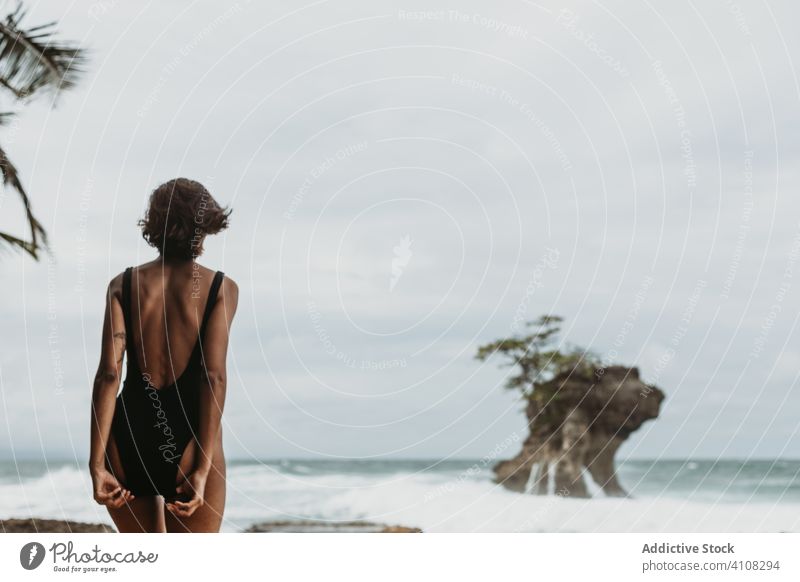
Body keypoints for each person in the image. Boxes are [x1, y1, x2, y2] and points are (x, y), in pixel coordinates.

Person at [88, 178, 238, 532]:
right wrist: (202, 469)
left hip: (126, 440)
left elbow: (109, 375)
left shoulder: (122, 285)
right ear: (205, 224)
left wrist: (97, 465)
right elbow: (212, 377)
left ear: (154, 224)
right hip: (187, 445)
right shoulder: (219, 288)